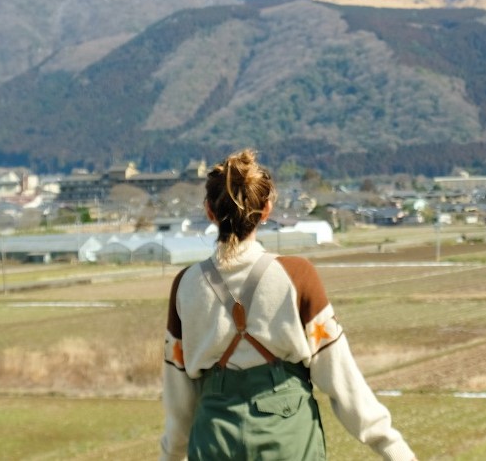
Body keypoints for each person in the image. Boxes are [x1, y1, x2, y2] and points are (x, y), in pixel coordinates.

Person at [160, 149, 416, 461]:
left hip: (213, 442)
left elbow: (178, 402)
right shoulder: (297, 275)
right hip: (289, 442)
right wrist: (394, 449)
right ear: (266, 210)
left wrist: (170, 456)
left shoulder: (186, 285)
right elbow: (342, 379)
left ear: (209, 211)